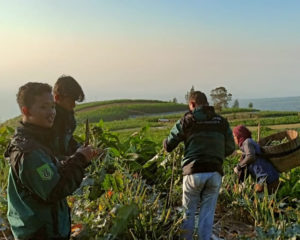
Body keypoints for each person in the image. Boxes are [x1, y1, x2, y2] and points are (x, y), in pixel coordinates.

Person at [5, 82, 96, 240]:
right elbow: (55, 189)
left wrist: (79, 157)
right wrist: (80, 159)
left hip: (49, 231)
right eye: (44, 107)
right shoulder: (29, 152)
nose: (51, 112)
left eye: (52, 107)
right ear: (25, 111)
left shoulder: (39, 142)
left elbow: (56, 172)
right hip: (39, 234)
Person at [163, 91, 235, 240]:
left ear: (193, 104)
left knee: (188, 213)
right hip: (215, 172)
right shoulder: (221, 121)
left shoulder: (187, 120)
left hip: (193, 172)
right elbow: (230, 148)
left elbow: (169, 145)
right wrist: (216, 155)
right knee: (207, 214)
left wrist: (166, 143)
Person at [232, 125, 280, 194]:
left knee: (257, 197)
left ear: (240, 135)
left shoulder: (247, 142)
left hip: (266, 177)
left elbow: (251, 156)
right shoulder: (248, 143)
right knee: (263, 199)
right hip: (267, 177)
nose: (234, 138)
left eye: (234, 136)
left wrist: (238, 166)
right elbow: (247, 167)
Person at [52, 75, 85, 157]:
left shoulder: (68, 116)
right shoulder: (49, 119)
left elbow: (68, 141)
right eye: (71, 101)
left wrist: (82, 149)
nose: (74, 105)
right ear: (57, 98)